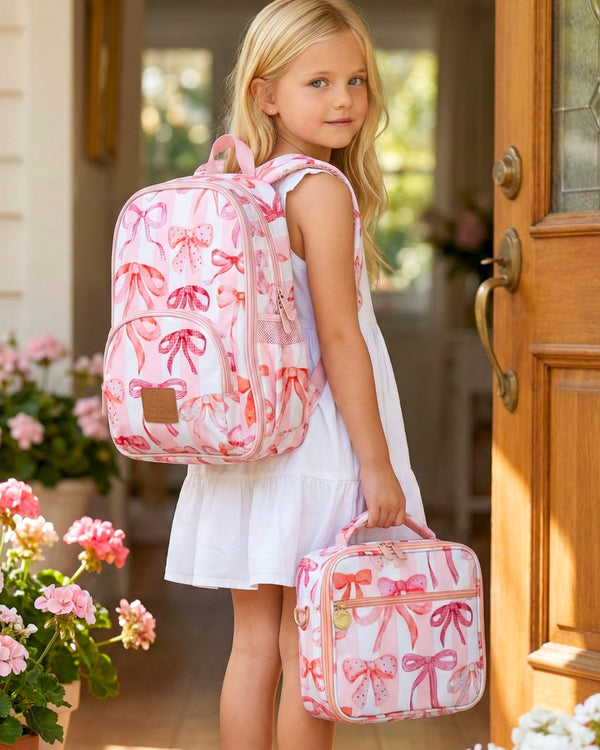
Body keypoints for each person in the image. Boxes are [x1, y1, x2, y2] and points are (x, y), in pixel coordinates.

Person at [164, 1, 427, 748]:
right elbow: (341, 339)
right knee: (310, 650)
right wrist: (380, 469)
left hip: (246, 443)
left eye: (357, 80)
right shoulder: (320, 189)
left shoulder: (231, 182)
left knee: (251, 649)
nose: (345, 99)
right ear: (266, 93)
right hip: (314, 447)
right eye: (319, 82)